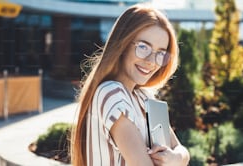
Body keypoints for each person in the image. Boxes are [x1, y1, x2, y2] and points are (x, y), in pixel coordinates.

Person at [71, 3, 190, 166]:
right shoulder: (112, 93)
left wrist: (175, 158)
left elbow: (181, 150)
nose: (151, 61)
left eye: (160, 53)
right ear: (123, 44)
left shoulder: (144, 97)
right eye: (143, 47)